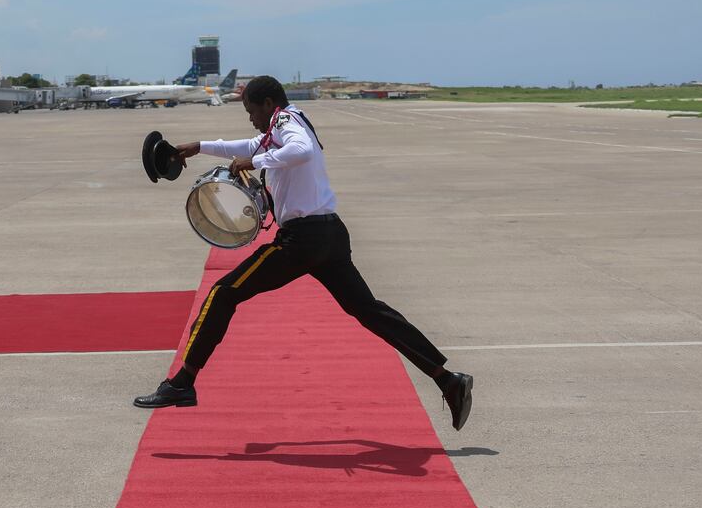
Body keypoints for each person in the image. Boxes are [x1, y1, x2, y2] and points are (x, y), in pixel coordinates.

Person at [134, 75, 474, 430]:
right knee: (370, 311)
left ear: (268, 105)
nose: (250, 116)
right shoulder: (284, 123)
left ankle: (182, 383)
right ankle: (447, 379)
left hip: (303, 240)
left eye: (251, 110)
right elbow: (252, 144)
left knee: (223, 293)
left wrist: (257, 163)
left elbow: (300, 152)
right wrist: (200, 146)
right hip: (328, 234)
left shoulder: (285, 120)